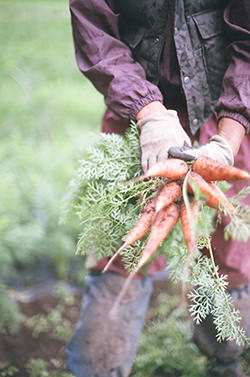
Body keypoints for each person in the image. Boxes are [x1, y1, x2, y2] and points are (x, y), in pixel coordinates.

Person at [66, 1, 250, 376]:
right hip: (139, 113)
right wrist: (148, 113)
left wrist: (227, 141)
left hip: (225, 111)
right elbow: (95, 30)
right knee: (123, 246)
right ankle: (97, 367)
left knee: (230, 248)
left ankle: (226, 357)